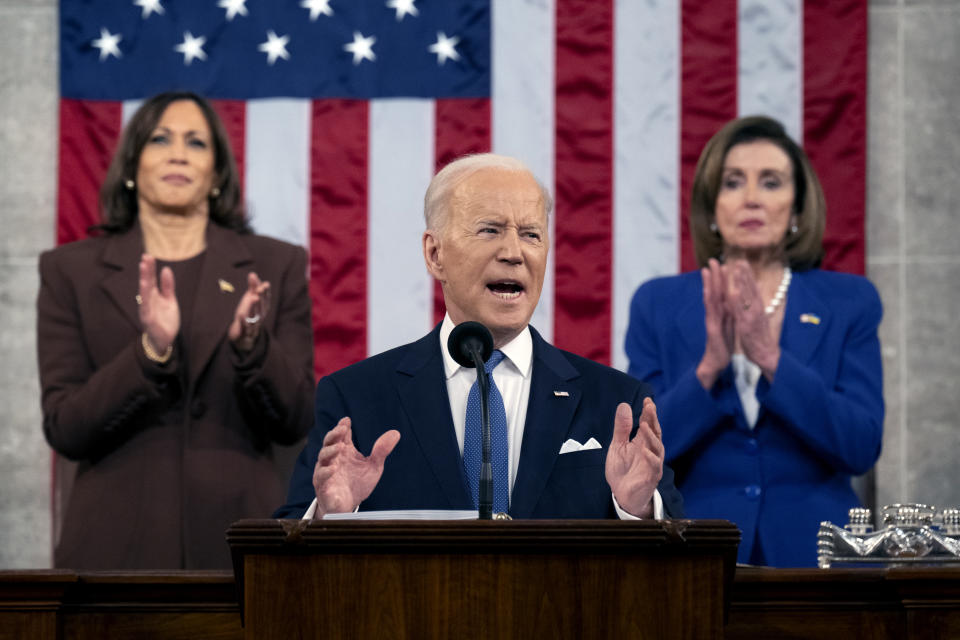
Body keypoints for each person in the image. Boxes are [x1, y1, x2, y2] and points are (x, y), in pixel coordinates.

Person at [276, 154, 683, 520]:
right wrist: (331, 516)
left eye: (531, 234)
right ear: (435, 255)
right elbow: (290, 542)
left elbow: (680, 556)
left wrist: (638, 510)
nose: (514, 252)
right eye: (490, 230)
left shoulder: (616, 403)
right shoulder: (357, 399)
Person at [37, 91, 315, 569]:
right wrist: (150, 352)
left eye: (196, 143)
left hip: (244, 551)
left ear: (217, 173)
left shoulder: (275, 265)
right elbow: (66, 427)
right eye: (160, 139)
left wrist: (253, 347)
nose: (179, 153)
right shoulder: (71, 272)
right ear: (131, 165)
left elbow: (297, 419)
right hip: (114, 552)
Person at [625, 116, 883, 567]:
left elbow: (860, 445)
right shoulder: (658, 304)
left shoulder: (849, 300)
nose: (751, 199)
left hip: (819, 559)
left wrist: (771, 359)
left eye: (770, 182)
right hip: (694, 554)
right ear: (712, 208)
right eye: (732, 183)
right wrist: (708, 369)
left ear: (798, 210)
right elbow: (636, 450)